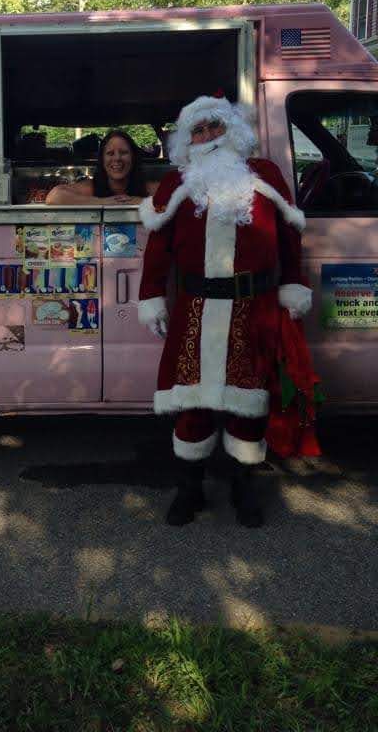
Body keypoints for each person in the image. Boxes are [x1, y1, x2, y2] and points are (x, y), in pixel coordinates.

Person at [137, 93, 313, 528]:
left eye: (214, 126)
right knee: (193, 403)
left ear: (233, 130)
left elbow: (291, 240)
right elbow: (157, 251)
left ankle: (243, 486)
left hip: (255, 309)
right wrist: (151, 297)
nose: (208, 136)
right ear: (186, 140)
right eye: (198, 130)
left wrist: (293, 288)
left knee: (248, 405)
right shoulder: (176, 184)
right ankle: (189, 489)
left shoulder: (265, 175)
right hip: (194, 309)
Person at [45, 129, 148, 205]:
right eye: (110, 153)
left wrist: (143, 202)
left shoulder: (145, 187)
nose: (117, 158)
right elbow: (54, 196)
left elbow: (164, 197)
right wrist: (102, 202)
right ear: (102, 159)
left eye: (124, 152)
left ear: (133, 157)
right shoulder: (92, 187)